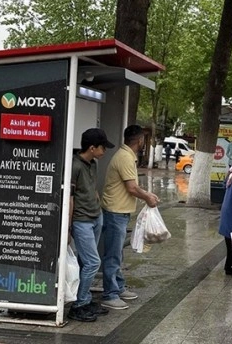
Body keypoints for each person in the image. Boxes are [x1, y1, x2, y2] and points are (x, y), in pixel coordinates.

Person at [101, 125, 159, 310]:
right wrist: (148, 197)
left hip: (119, 211)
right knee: (112, 254)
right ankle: (110, 294)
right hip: (115, 212)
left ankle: (117, 287)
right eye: (143, 139)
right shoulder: (125, 157)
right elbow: (132, 188)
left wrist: (147, 195)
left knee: (117, 252)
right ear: (140, 140)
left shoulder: (127, 156)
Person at [68, 128, 115, 322]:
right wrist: (68, 227)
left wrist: (99, 208)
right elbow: (70, 198)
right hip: (81, 221)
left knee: (85, 261)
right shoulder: (74, 166)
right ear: (93, 147)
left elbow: (92, 188)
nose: (105, 151)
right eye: (103, 147)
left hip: (96, 217)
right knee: (93, 262)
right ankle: (78, 305)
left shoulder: (93, 164)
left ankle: (85, 299)